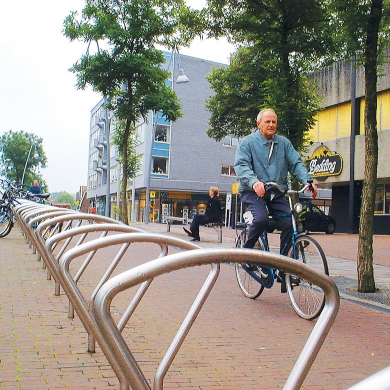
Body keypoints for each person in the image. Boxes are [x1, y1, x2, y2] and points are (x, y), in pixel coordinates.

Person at [234, 109, 318, 289]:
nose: (271, 125)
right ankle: (245, 254)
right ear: (258, 124)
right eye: (268, 122)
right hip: (253, 191)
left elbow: (296, 163)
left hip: (276, 191)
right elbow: (241, 166)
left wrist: (307, 181)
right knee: (262, 219)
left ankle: (283, 267)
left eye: (274, 122)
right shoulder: (247, 143)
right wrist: (254, 181)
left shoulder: (284, 144)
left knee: (289, 223)